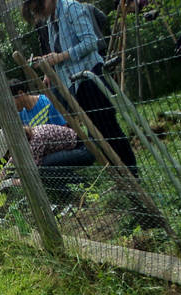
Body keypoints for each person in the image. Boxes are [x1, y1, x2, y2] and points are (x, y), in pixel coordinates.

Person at [22, 0, 138, 176]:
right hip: (76, 83)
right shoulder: (52, 20)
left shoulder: (71, 8)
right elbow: (61, 53)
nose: (39, 14)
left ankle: (132, 173)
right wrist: (49, 61)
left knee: (108, 128)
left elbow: (91, 41)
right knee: (97, 132)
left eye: (39, 8)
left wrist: (60, 57)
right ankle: (122, 175)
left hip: (91, 77)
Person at [0, 124, 95, 206]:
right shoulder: (25, 140)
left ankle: (81, 188)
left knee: (43, 170)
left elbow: (33, 177)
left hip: (83, 151)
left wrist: (10, 182)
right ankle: (68, 195)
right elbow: (8, 167)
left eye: (8, 151)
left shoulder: (34, 143)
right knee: (44, 167)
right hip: (75, 150)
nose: (9, 154)